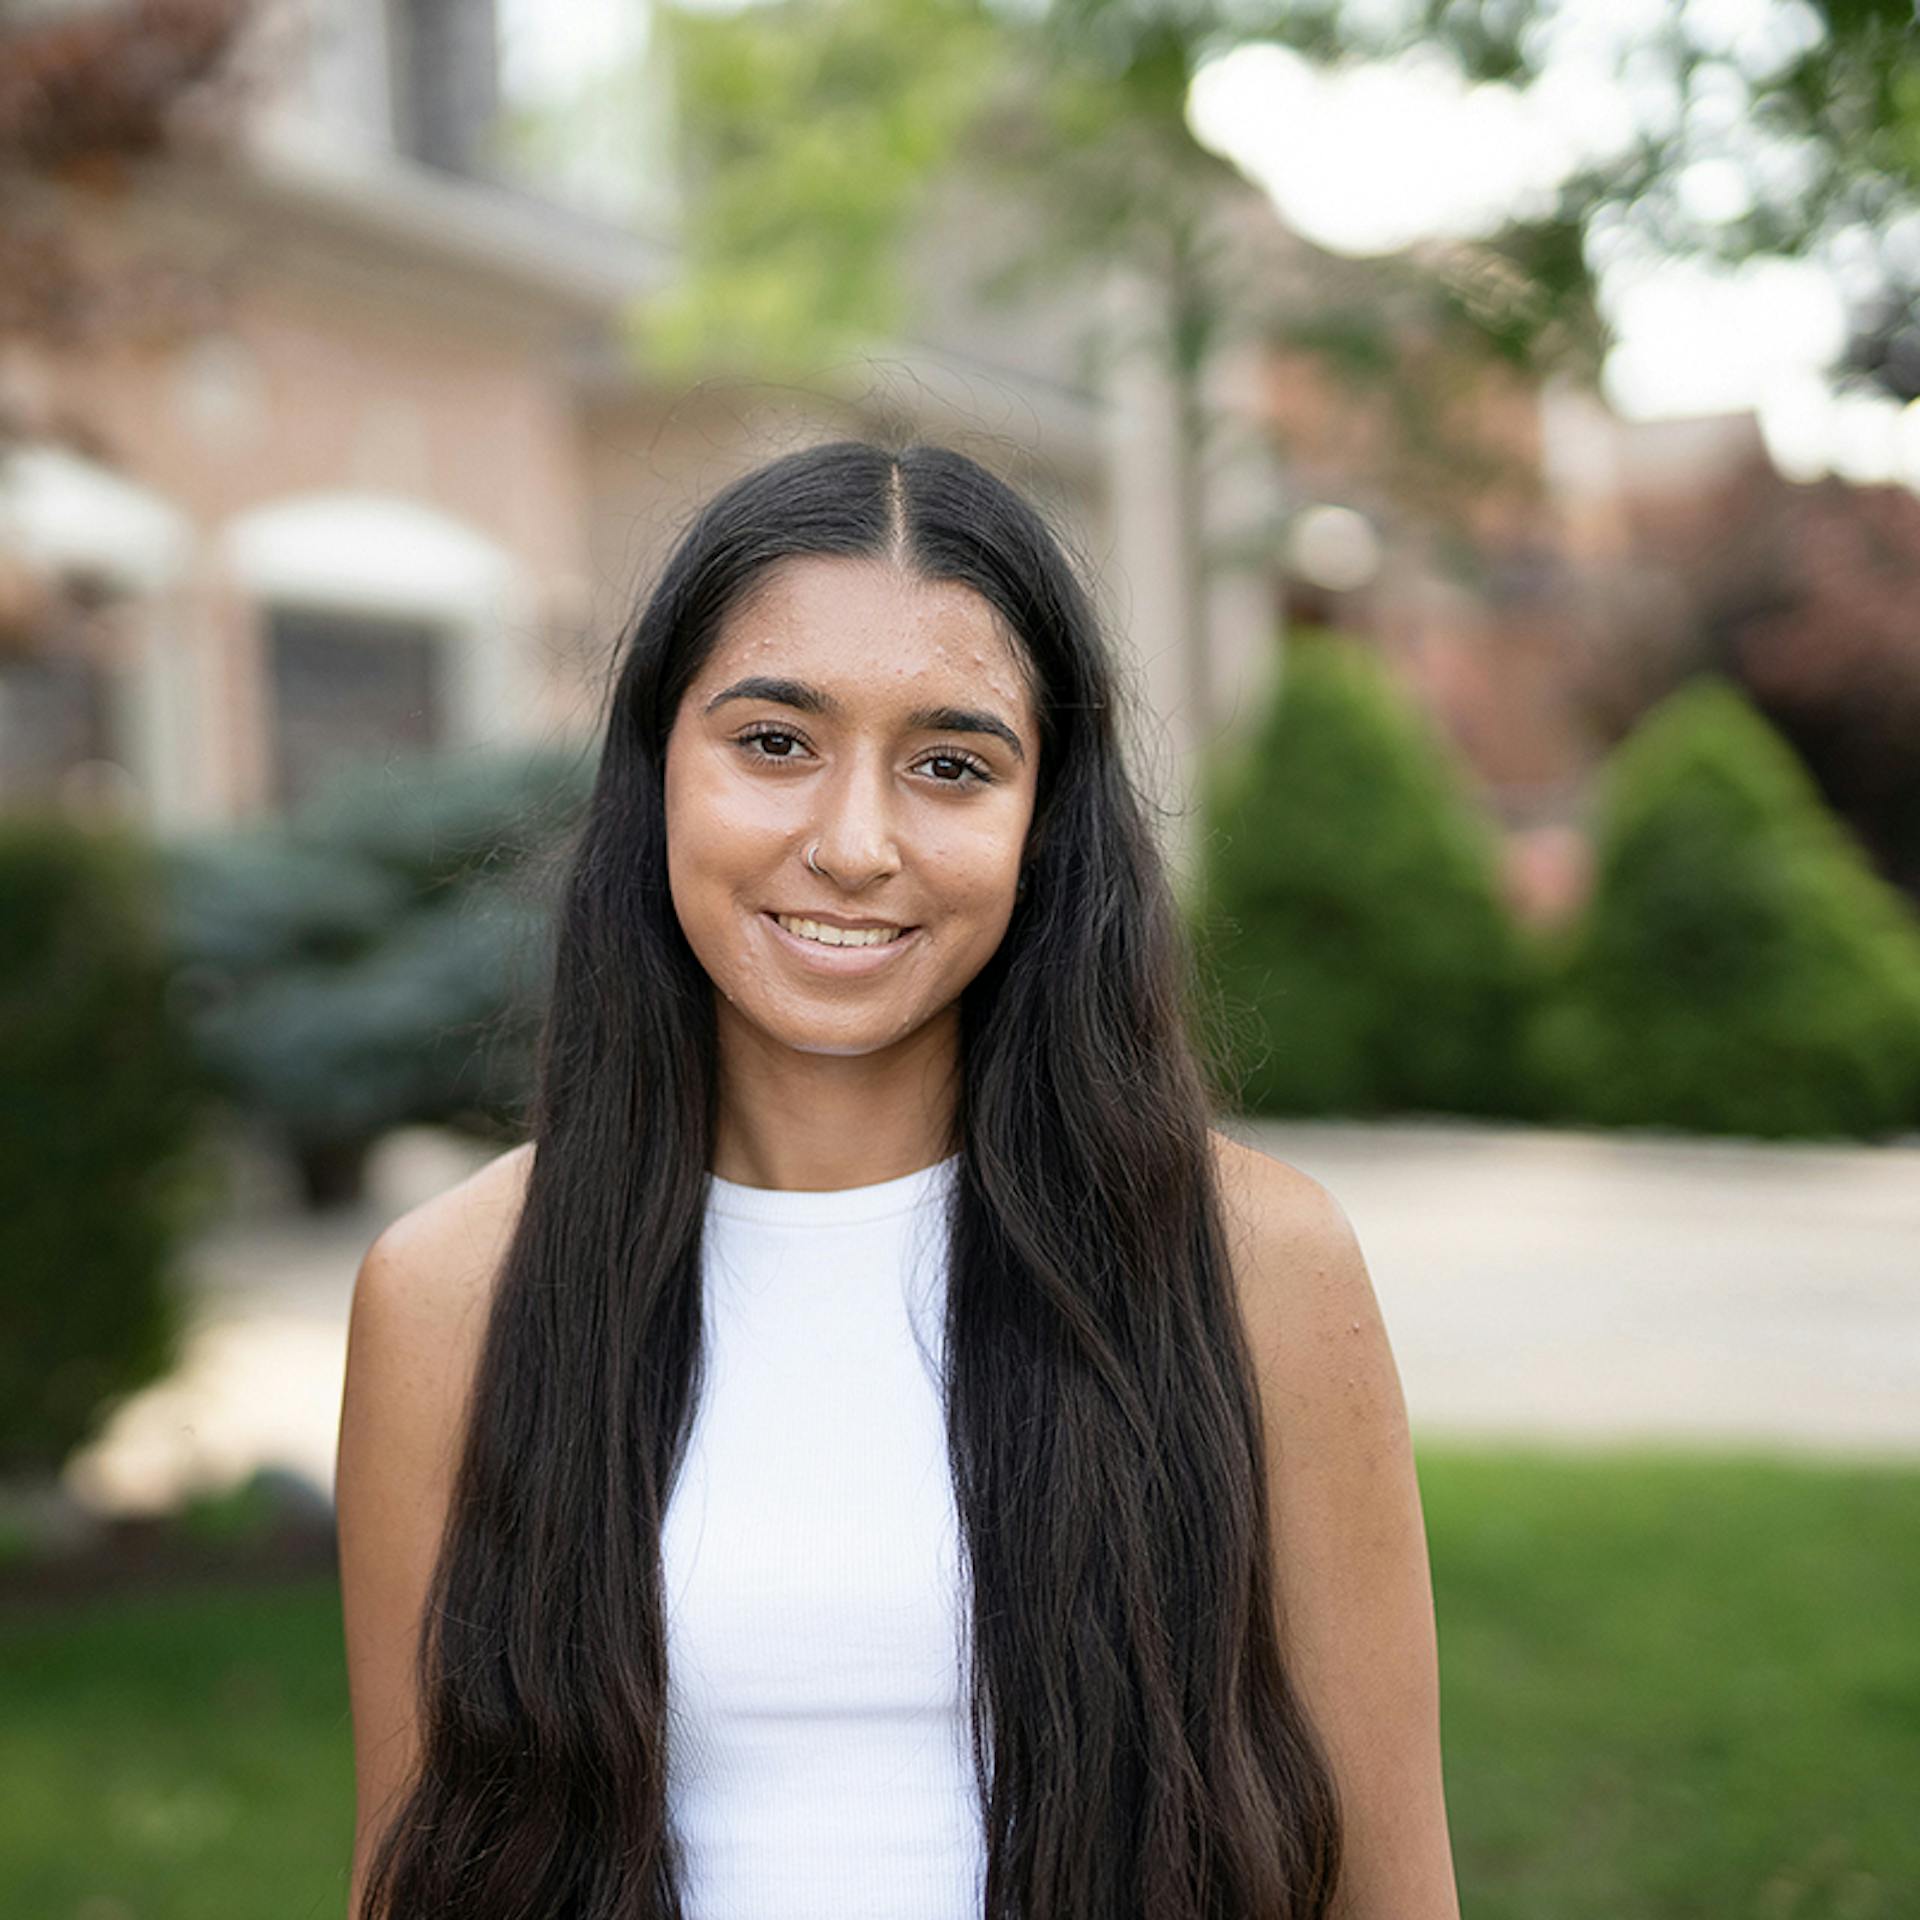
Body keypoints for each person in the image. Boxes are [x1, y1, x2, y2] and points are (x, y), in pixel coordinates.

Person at [335, 437, 1460, 1919]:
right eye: (775, 743)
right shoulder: (449, 1293)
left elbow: (1392, 1888)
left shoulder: (1259, 1266)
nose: (854, 845)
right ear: (656, 767)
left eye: (950, 764)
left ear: (1042, 823)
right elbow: (411, 1878)